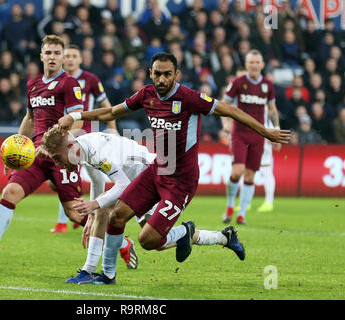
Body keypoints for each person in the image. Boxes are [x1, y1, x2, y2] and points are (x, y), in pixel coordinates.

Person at [58, 52, 290, 284]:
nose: (161, 79)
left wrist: (266, 131)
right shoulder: (146, 95)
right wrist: (76, 115)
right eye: (157, 74)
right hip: (156, 170)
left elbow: (230, 110)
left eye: (167, 74)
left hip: (181, 181)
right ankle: (108, 276)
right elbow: (111, 112)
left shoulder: (189, 98)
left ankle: (185, 231)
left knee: (148, 240)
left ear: (175, 75)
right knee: (116, 217)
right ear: (150, 73)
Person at [40, 126, 248, 284]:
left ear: (68, 146)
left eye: (57, 158)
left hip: (148, 177)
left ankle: (96, 272)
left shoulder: (94, 152)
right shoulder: (81, 148)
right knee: (157, 242)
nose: (58, 164)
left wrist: (95, 204)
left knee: (140, 232)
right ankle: (222, 237)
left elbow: (122, 185)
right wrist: (93, 215)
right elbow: (97, 182)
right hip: (136, 181)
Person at [0, 35, 89, 266]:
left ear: (62, 57)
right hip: (35, 153)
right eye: (48, 53)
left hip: (61, 156)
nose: (52, 57)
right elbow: (30, 118)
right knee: (9, 191)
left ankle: (122, 243)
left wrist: (53, 146)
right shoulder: (33, 84)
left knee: (74, 212)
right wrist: (16, 149)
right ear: (41, 56)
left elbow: (78, 122)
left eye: (56, 53)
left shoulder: (69, 84)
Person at [50, 44, 118, 234]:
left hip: (85, 134)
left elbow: (106, 105)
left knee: (91, 177)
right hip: (64, 134)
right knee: (60, 178)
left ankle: (91, 214)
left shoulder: (91, 79)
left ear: (81, 59)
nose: (70, 59)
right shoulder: (58, 80)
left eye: (74, 56)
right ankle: (72, 217)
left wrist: (113, 129)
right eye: (68, 56)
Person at [221, 50, 281, 225]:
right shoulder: (238, 83)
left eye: (257, 62)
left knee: (249, 176)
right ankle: (230, 205)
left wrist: (275, 129)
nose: (254, 65)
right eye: (251, 62)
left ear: (262, 64)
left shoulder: (268, 85)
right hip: (239, 133)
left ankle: (242, 215)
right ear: (246, 65)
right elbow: (224, 105)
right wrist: (226, 124)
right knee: (237, 171)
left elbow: (272, 110)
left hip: (258, 135)